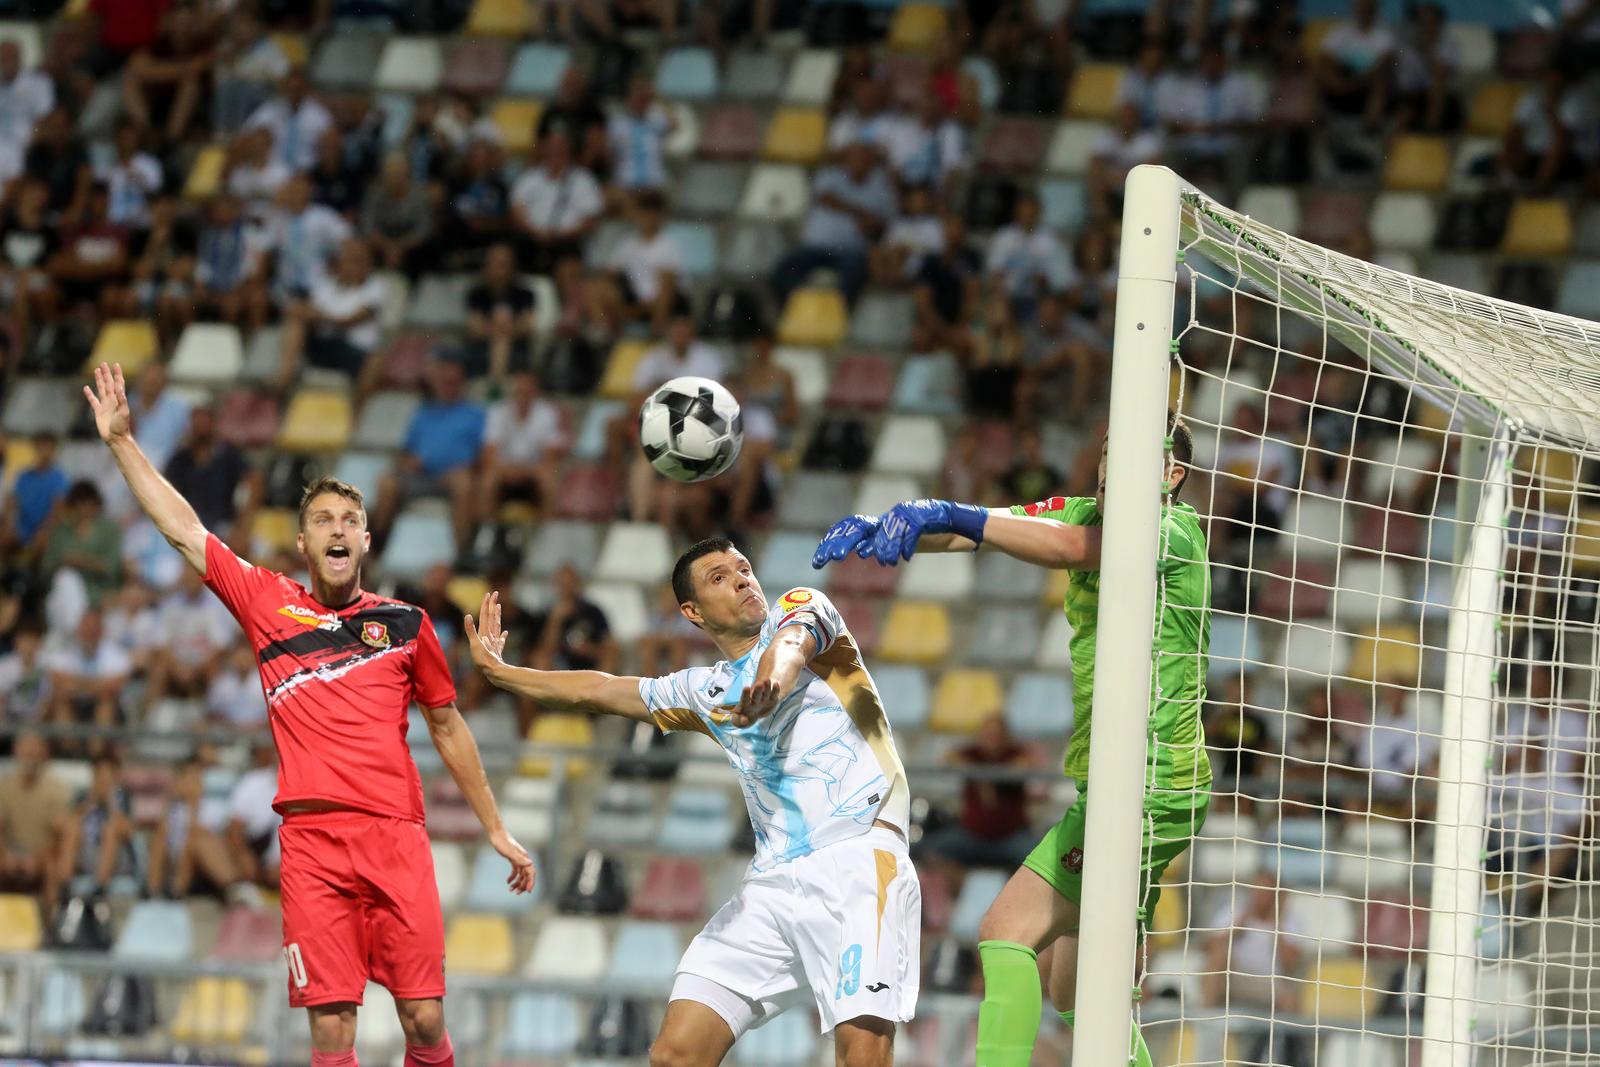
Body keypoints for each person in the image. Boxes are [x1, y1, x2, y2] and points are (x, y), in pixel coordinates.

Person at [83, 361, 533, 1066]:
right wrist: (121, 444)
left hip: (394, 834)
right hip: (310, 841)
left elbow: (448, 726)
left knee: (422, 1016)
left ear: (366, 542)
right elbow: (184, 529)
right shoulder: (268, 602)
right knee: (331, 1030)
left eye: (350, 520)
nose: (337, 528)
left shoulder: (407, 624)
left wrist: (496, 827)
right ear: (303, 543)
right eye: (322, 519)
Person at [813, 412, 1210, 1067]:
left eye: (1136, 449)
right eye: (1110, 445)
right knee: (1073, 984)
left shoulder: (1174, 532)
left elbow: (1062, 551)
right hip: (1125, 784)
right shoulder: (1081, 511)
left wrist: (944, 509)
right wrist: (897, 528)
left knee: (1005, 929)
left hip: (1150, 783)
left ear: (1171, 474)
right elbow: (984, 533)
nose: (1114, 459)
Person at [464, 538, 919, 1067]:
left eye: (744, 568)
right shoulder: (705, 691)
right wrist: (501, 673)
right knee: (676, 1053)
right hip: (772, 884)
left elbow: (791, 647)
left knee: (862, 1054)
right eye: (720, 578)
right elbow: (600, 690)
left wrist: (771, 682)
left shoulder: (804, 609)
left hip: (860, 855)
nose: (744, 580)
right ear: (692, 611)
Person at [374, 358, 487, 549]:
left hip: (454, 476)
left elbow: (483, 454)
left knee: (464, 484)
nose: (447, 386)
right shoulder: (423, 413)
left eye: (452, 382)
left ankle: (463, 551)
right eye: (444, 382)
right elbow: (405, 452)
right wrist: (408, 462)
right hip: (422, 475)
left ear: (462, 384)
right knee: (387, 482)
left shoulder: (475, 415)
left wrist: (467, 468)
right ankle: (377, 546)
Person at [917, 715, 1039, 872]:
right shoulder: (973, 754)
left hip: (1010, 838)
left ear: (1005, 737)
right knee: (923, 849)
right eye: (987, 734)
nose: (991, 739)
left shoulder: (1014, 753)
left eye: (996, 735)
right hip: (971, 837)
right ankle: (949, 892)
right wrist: (979, 773)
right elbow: (949, 757)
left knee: (1039, 860)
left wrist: (990, 778)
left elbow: (1026, 764)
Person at [477, 369, 568, 520]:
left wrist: (525, 470)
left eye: (528, 390)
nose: (524, 394)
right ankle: (488, 532)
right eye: (520, 390)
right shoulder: (497, 411)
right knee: (487, 483)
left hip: (534, 469)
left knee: (550, 482)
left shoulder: (548, 413)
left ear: (536, 391)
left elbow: (551, 454)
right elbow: (489, 453)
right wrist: (509, 470)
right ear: (513, 391)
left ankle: (546, 533)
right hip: (504, 469)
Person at [0, 731, 70, 898]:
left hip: (43, 857)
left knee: (53, 868)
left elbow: (60, 836)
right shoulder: (4, 787)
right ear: (15, 752)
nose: (30, 753)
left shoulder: (57, 790)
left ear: (45, 753)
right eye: (25, 748)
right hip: (9, 855)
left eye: (35, 748)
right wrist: (6, 856)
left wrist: (37, 860)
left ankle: (51, 922)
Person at [463, 242, 536, 384]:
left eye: (504, 264)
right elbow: (476, 330)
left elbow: (526, 327)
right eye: (496, 264)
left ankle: (495, 382)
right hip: (483, 350)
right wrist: (503, 328)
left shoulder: (525, 294)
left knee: (502, 324)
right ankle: (497, 381)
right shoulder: (477, 294)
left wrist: (500, 328)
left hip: (516, 350)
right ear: (487, 266)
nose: (500, 270)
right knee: (501, 325)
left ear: (513, 266)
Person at [226, 739, 283, 889]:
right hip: (253, 857)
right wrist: (244, 857)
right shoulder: (253, 782)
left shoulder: (312, 786)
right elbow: (234, 828)